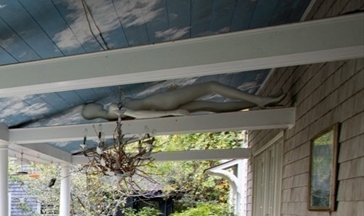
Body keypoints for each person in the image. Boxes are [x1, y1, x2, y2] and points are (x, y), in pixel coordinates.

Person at [80, 82, 283, 121]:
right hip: (164, 104)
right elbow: (141, 114)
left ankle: (257, 105)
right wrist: (172, 113)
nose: (91, 103)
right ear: (91, 112)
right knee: (210, 86)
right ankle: (259, 100)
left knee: (212, 106)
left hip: (165, 102)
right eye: (89, 106)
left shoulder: (112, 115)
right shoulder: (113, 110)